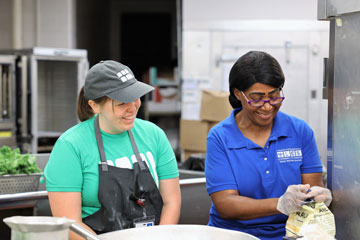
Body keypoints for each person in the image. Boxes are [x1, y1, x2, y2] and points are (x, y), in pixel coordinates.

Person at [44, 60, 181, 240]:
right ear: (94, 106)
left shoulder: (154, 135)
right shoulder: (71, 146)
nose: (132, 107)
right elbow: (70, 222)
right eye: (121, 102)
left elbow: (171, 202)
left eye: (135, 96)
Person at [204, 51, 332, 240]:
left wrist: (319, 196)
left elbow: (312, 187)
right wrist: (279, 204)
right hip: (233, 234)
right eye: (257, 98)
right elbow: (226, 205)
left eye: (274, 96)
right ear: (238, 94)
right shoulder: (221, 137)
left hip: (291, 232)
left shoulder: (299, 131)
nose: (267, 106)